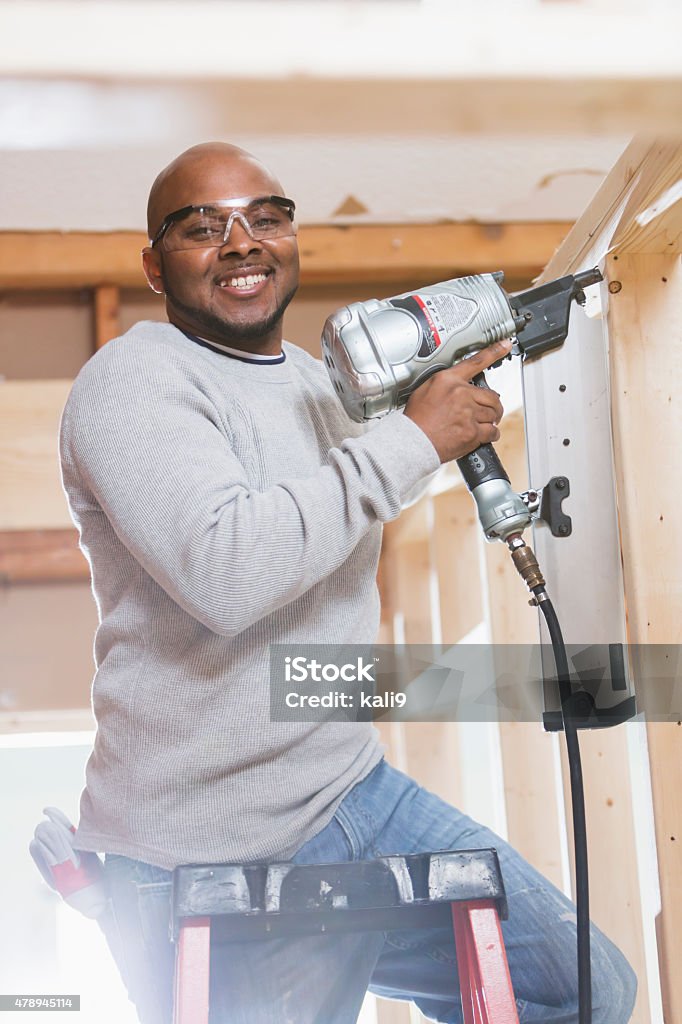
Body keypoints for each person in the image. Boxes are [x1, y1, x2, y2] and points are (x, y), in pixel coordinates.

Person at [58, 142, 636, 1023]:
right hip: (194, 843)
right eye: (202, 227)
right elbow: (228, 571)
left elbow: (347, 513)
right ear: (152, 265)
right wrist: (412, 439)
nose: (241, 242)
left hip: (347, 789)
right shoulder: (132, 381)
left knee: (585, 987)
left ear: (293, 240)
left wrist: (446, 422)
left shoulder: (324, 389)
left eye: (267, 218)